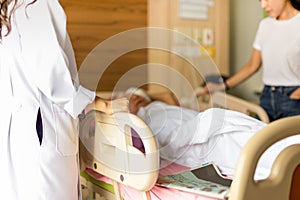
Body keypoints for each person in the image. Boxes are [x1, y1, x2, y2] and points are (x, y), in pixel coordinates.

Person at [0, 0, 128, 199]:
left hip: (18, 134)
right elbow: (52, 76)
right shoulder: (35, 5)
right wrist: (102, 104)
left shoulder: (8, 9)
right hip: (41, 132)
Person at [127, 87, 300, 180]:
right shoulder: (135, 121)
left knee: (236, 131)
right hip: (187, 137)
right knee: (227, 142)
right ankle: (284, 150)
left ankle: (288, 143)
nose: (136, 98)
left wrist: (150, 96)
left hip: (201, 124)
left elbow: (168, 95)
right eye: (131, 98)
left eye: (139, 95)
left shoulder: (167, 106)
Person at [203, 0, 300, 122]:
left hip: (294, 99)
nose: (263, 5)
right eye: (260, 0)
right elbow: (252, 66)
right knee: (264, 140)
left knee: (291, 141)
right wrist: (223, 86)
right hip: (267, 96)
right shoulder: (265, 25)